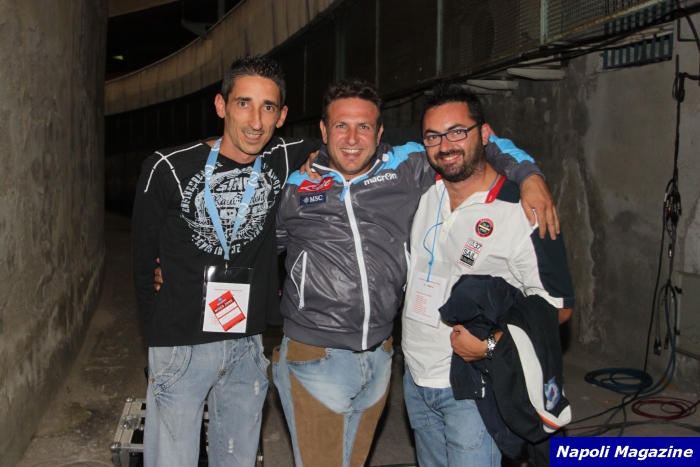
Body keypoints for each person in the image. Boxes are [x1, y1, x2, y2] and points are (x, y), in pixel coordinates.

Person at [271, 78, 557, 467]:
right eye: (341, 126)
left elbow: (477, 144)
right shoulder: (296, 185)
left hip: (379, 356)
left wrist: (529, 175)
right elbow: (265, 249)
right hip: (315, 354)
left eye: (364, 126)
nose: (352, 138)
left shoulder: (405, 166)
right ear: (323, 130)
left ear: (380, 132)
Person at [131, 55, 322, 467]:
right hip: (180, 345)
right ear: (221, 106)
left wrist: (318, 157)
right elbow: (142, 266)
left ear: (282, 116)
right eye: (243, 103)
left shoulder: (283, 156)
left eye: (268, 107)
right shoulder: (167, 167)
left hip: (246, 344)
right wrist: (157, 345)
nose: (255, 121)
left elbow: (351, 141)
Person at [401, 83, 575, 467]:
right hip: (415, 378)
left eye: (457, 131)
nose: (445, 145)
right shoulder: (423, 192)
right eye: (433, 136)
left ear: (484, 135)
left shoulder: (523, 210)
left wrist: (492, 346)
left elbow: (557, 308)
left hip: (473, 384)